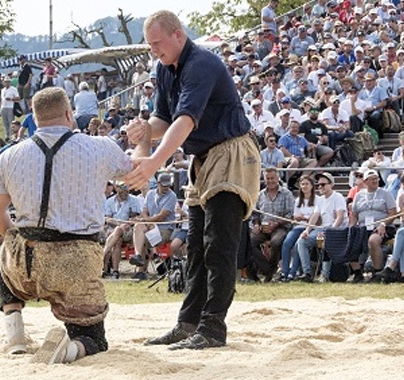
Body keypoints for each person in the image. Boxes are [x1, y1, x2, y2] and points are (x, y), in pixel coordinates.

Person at [125, 10, 260, 350]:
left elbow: (186, 120)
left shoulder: (202, 63)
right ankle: (189, 323)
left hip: (230, 152)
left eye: (157, 43)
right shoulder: (163, 68)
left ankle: (213, 327)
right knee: (196, 245)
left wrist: (155, 161)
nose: (154, 50)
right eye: (150, 45)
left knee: (219, 242)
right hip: (204, 158)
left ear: (178, 35)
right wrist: (145, 131)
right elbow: (163, 119)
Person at [0, 87, 136, 363]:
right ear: (69, 113)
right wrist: (146, 142)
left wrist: (16, 241)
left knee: (1, 258)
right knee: (93, 339)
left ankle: (15, 335)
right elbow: (138, 178)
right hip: (76, 259)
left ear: (34, 117)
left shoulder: (9, 155)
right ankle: (69, 350)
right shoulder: (100, 146)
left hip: (25, 261)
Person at [295, 172, 348, 283]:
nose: (320, 187)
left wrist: (330, 231)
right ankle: (307, 273)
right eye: (318, 185)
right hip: (322, 229)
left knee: (324, 241)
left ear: (331, 184)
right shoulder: (320, 200)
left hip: (337, 230)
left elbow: (340, 218)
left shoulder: (338, 197)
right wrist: (307, 230)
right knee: (301, 241)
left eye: (323, 184)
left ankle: (325, 274)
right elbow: (315, 216)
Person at [349, 169, 397, 282]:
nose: (375, 181)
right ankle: (357, 273)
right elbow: (354, 214)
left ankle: (377, 272)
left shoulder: (386, 194)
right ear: (365, 182)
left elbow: (393, 213)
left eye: (376, 179)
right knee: (349, 239)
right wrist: (351, 227)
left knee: (373, 240)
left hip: (382, 227)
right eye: (372, 179)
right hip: (363, 227)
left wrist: (383, 224)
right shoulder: (359, 196)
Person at [128, 172, 177, 280]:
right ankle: (138, 256)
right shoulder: (150, 194)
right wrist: (147, 221)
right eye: (164, 185)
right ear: (158, 183)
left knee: (143, 237)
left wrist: (146, 220)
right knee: (138, 227)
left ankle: (141, 270)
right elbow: (145, 210)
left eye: (168, 185)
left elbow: (161, 216)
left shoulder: (172, 196)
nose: (166, 187)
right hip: (150, 225)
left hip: (164, 228)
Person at [248, 168, 294, 283]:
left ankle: (269, 273)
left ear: (278, 178)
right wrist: (257, 225)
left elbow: (290, 215)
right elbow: (255, 214)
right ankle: (268, 270)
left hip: (280, 227)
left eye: (272, 178)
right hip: (263, 228)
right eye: (267, 178)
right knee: (249, 241)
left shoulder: (287, 194)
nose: (270, 181)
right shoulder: (260, 194)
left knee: (276, 242)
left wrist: (277, 223)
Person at [279, 175, 317, 282]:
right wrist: (298, 218)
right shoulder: (298, 200)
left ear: (312, 186)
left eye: (306, 184)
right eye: (302, 184)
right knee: (287, 243)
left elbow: (317, 218)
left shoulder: (317, 200)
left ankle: (293, 272)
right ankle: (284, 271)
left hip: (310, 228)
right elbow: (295, 217)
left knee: (298, 244)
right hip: (298, 227)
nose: (304, 186)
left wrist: (305, 218)